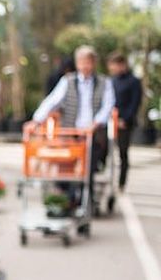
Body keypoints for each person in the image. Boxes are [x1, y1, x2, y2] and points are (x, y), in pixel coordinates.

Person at [33, 45, 116, 209]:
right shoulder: (68, 82)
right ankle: (68, 201)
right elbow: (52, 101)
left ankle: (85, 203)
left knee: (88, 169)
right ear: (77, 64)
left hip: (93, 135)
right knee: (66, 167)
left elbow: (108, 106)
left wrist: (95, 124)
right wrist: (36, 121)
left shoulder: (104, 83)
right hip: (70, 134)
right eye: (82, 62)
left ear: (94, 64)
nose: (85, 66)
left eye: (88, 62)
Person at [108, 52, 142, 191]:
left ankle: (121, 182)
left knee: (122, 152)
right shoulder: (112, 81)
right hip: (111, 121)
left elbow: (135, 103)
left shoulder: (133, 81)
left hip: (124, 123)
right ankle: (108, 179)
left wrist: (125, 119)